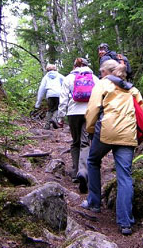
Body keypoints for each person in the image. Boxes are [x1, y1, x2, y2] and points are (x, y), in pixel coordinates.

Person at [82, 59, 143, 236]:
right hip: (127, 134)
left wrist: (91, 129)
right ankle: (125, 223)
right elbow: (142, 113)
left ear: (107, 72)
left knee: (93, 160)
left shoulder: (103, 84)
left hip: (107, 131)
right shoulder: (133, 89)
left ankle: (94, 202)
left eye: (102, 72)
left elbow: (93, 109)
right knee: (125, 176)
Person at [57, 58, 99, 193]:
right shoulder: (94, 78)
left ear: (74, 66)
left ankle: (75, 173)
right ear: (87, 65)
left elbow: (63, 98)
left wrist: (60, 116)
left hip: (73, 113)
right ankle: (83, 170)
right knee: (85, 143)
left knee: (75, 143)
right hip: (89, 112)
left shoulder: (69, 78)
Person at [35, 64, 65, 130]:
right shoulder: (60, 76)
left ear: (47, 70)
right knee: (57, 108)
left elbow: (41, 89)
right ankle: (54, 119)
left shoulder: (46, 77)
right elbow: (66, 83)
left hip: (50, 95)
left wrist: (38, 103)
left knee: (50, 109)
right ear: (55, 69)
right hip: (58, 94)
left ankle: (47, 125)